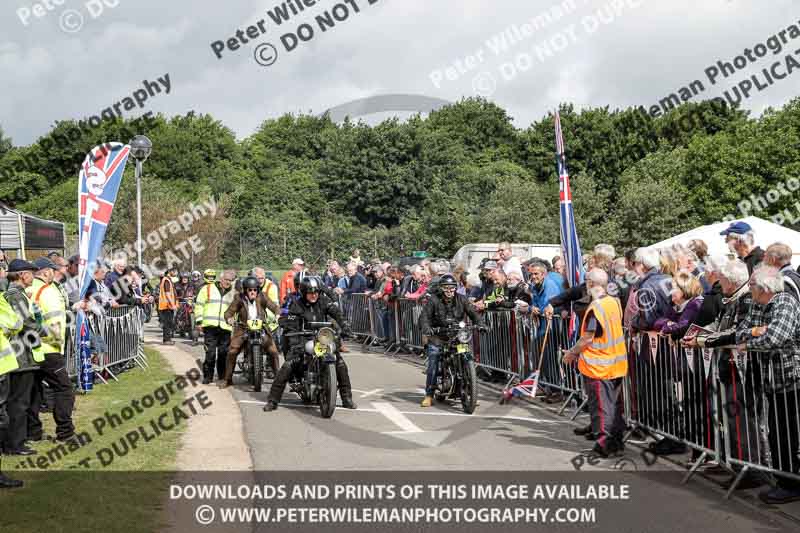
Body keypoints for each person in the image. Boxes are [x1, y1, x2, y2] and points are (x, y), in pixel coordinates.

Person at [735, 266, 800, 504]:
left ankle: (790, 483)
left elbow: (776, 337)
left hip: (791, 378)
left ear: (763, 287)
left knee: (788, 433)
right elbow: (740, 333)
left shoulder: (785, 302)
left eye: (751, 285)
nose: (748, 289)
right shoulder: (756, 304)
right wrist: (755, 331)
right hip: (771, 380)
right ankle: (786, 480)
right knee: (777, 432)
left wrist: (751, 342)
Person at [264, 277, 356, 411]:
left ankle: (347, 398)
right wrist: (293, 335)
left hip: (322, 338)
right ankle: (273, 400)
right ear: (303, 292)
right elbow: (291, 323)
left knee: (340, 363)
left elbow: (336, 313)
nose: (313, 295)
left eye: (316, 292)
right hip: (304, 339)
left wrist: (345, 326)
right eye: (310, 293)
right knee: (289, 365)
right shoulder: (297, 304)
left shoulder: (324, 301)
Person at [562, 269, 627, 457]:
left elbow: (588, 338)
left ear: (591, 283)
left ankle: (603, 445)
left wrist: (571, 354)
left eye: (586, 282)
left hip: (599, 366)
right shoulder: (613, 302)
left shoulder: (597, 307)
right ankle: (616, 443)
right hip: (615, 363)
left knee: (601, 408)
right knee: (614, 407)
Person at [25, 257, 75, 445]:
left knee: (34, 391)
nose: (55, 273)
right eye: (53, 270)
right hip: (49, 349)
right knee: (64, 389)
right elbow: (54, 319)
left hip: (32, 348)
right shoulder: (49, 290)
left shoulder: (29, 289)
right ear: (46, 272)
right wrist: (58, 340)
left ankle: (33, 431)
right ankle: (65, 432)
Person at [419, 274, 486, 407]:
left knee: (467, 354)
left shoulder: (462, 299)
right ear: (441, 288)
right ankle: (429, 394)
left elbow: (473, 313)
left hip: (457, 335)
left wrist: (481, 324)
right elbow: (424, 317)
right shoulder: (434, 300)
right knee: (433, 361)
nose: (449, 291)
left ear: (456, 288)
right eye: (446, 288)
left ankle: (471, 392)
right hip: (438, 336)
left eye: (452, 288)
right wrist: (427, 328)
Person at [1, 259, 46, 457]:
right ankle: (14, 444)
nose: (33, 277)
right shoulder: (15, 295)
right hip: (20, 357)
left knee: (23, 401)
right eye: (31, 273)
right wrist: (46, 330)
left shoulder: (18, 295)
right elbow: (26, 324)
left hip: (24, 355)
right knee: (18, 403)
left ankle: (18, 440)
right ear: (21, 274)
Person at [219, 276, 282, 389]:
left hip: (261, 328)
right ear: (245, 290)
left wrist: (277, 314)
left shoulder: (262, 296)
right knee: (232, 351)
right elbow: (229, 312)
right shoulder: (239, 298)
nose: (253, 292)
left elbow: (274, 306)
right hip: (243, 329)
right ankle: (227, 379)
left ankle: (278, 378)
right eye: (250, 290)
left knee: (273, 351)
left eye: (255, 289)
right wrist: (229, 319)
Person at [195, 269, 236, 384]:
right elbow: (199, 305)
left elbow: (236, 309)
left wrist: (235, 320)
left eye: (230, 280)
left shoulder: (233, 293)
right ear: (221, 279)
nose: (228, 282)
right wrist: (199, 322)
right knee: (210, 353)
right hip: (210, 327)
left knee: (223, 354)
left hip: (225, 327)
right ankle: (208, 376)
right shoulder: (207, 289)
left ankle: (222, 376)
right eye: (226, 280)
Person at [654, 272, 704, 339]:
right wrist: (668, 323)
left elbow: (681, 327)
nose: (670, 292)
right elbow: (657, 323)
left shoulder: (694, 304)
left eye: (674, 288)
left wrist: (667, 327)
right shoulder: (674, 304)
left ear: (684, 289)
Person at [158, 264, 178, 345]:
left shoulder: (167, 279)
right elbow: (167, 293)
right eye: (175, 271)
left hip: (167, 305)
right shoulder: (166, 280)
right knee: (167, 323)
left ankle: (167, 339)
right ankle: (167, 340)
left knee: (168, 323)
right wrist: (172, 304)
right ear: (170, 271)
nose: (176, 273)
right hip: (166, 306)